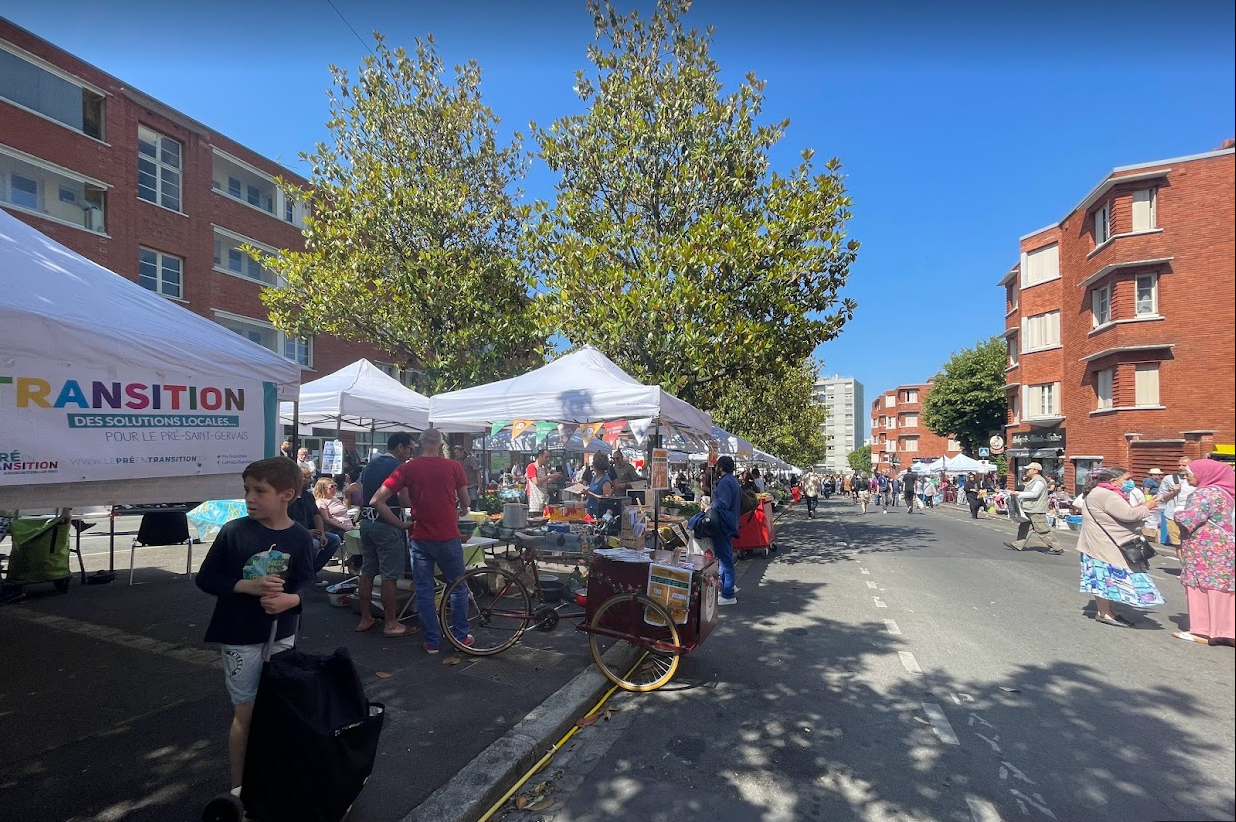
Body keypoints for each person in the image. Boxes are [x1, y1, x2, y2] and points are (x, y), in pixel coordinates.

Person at [195, 456, 314, 793]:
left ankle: (274, 774)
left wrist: (291, 601)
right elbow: (206, 577)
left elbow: (308, 581)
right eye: (247, 489)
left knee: (279, 706)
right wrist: (244, 586)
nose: (249, 497)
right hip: (239, 633)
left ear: (287, 494)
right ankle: (240, 787)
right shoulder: (234, 531)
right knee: (245, 710)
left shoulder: (301, 537)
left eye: (260, 491)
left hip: (281, 633)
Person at [369, 428, 473, 654]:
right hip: (448, 536)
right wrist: (461, 507)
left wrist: (401, 524)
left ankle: (432, 642)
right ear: (440, 444)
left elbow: (377, 500)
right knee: (457, 587)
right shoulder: (454, 466)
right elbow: (465, 502)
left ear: (420, 444)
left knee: (425, 590)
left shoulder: (406, 468)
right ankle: (460, 636)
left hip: (420, 538)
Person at [1075, 466, 1164, 627]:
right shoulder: (1107, 495)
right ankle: (1106, 613)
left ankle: (1108, 612)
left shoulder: (1100, 493)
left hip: (1098, 544)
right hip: (1104, 546)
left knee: (1103, 580)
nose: (1130, 483)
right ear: (1113, 481)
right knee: (1105, 579)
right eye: (1127, 479)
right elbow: (1128, 515)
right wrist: (1147, 507)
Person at [355, 433, 416, 637]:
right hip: (386, 523)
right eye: (409, 449)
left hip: (366, 522)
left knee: (367, 571)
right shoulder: (400, 467)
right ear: (400, 447)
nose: (410, 453)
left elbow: (360, 491)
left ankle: (366, 618)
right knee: (390, 576)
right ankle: (391, 623)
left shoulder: (371, 464)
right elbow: (405, 499)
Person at [1171, 459, 1235, 646]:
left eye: (1190, 473)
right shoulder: (1227, 493)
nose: (1187, 476)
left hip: (1205, 550)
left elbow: (1190, 519)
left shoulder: (1204, 494)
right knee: (1225, 588)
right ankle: (1229, 632)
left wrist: (1178, 512)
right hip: (1227, 547)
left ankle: (1204, 631)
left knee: (1202, 587)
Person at [289, 465, 342, 580]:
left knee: (334, 539)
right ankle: (303, 574)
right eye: (306, 477)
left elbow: (316, 515)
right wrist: (306, 532)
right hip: (294, 533)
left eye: (309, 477)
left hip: (312, 531)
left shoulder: (308, 496)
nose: (309, 479)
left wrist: (322, 533)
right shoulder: (289, 497)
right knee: (314, 544)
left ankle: (311, 571)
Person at [1005, 462, 1062, 554]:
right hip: (1029, 508)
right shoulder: (1032, 480)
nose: (1026, 471)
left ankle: (1056, 547)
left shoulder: (1039, 481)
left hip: (1036, 509)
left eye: (1029, 469)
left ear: (1035, 471)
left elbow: (1034, 494)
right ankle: (1017, 544)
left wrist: (1018, 494)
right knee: (1024, 527)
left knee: (1042, 529)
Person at [712, 455, 741, 606]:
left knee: (725, 559)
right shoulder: (733, 480)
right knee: (725, 556)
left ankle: (728, 594)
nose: (715, 469)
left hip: (723, 524)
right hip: (731, 522)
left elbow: (722, 503)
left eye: (717, 466)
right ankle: (727, 587)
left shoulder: (725, 482)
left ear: (721, 467)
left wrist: (709, 507)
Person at [1159, 457, 1194, 547]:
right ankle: (1182, 561)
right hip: (1172, 515)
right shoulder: (1169, 479)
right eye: (1179, 465)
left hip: (1192, 515)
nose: (1181, 467)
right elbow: (1161, 497)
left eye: (1184, 465)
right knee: (1178, 544)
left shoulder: (1196, 479)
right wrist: (1173, 492)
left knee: (1191, 543)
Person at [525, 448, 560, 515]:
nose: (548, 459)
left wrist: (554, 478)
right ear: (540, 456)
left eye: (549, 457)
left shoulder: (543, 469)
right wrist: (549, 476)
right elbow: (536, 482)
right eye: (546, 457)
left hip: (543, 500)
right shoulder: (531, 467)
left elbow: (544, 484)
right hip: (534, 500)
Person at [452, 443, 481, 510]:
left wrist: (479, 486)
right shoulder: (457, 461)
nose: (456, 454)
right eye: (455, 453)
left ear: (462, 452)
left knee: (473, 500)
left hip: (472, 484)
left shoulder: (471, 459)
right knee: (463, 501)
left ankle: (474, 513)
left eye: (458, 452)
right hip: (462, 485)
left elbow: (477, 472)